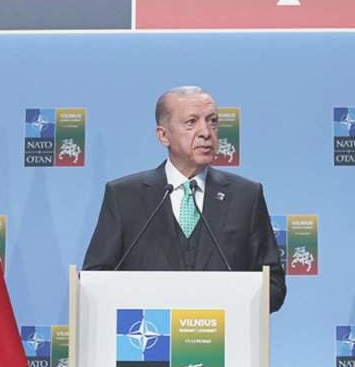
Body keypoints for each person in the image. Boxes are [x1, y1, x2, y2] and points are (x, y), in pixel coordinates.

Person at [83, 86, 286, 312]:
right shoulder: (124, 196)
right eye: (191, 122)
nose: (206, 132)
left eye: (212, 121)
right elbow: (95, 280)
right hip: (150, 329)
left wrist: (231, 301)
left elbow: (274, 284)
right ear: (163, 135)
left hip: (221, 330)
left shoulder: (246, 196)